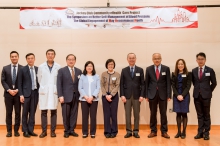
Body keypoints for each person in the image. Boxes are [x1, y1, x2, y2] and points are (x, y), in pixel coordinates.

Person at [145, 53, 171, 139]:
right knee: (153, 113)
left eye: (158, 58)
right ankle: (153, 131)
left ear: (161, 59)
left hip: (163, 94)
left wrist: (169, 95)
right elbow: (146, 83)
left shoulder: (166, 69)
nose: (157, 60)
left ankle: (164, 131)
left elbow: (168, 83)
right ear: (152, 59)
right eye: (155, 58)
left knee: (163, 113)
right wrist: (146, 95)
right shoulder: (148, 69)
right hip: (152, 94)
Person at [192, 52, 217, 140]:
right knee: (199, 115)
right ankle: (200, 132)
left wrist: (208, 91)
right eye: (199, 59)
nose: (200, 61)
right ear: (196, 60)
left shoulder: (210, 70)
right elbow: (194, 83)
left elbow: (214, 83)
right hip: (196, 96)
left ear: (205, 60)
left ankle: (206, 133)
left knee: (206, 115)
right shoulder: (194, 71)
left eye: (202, 59)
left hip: (206, 96)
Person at [120, 53, 145, 138]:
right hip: (126, 96)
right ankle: (128, 131)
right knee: (127, 114)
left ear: (136, 59)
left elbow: (143, 84)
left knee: (136, 114)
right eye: (130, 58)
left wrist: (142, 95)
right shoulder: (124, 70)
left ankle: (136, 131)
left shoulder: (140, 70)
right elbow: (121, 84)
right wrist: (122, 95)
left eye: (133, 58)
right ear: (127, 59)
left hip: (137, 96)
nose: (131, 59)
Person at [57, 54, 82, 138]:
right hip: (65, 96)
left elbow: (81, 84)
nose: (71, 61)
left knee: (74, 114)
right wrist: (60, 95)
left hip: (76, 96)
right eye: (69, 59)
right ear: (66, 61)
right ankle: (66, 130)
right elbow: (59, 84)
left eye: (72, 59)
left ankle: (72, 130)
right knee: (66, 114)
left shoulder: (79, 71)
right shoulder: (61, 71)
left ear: (75, 61)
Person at [37, 49, 61, 138]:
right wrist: (44, 87)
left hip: (54, 92)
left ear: (54, 55)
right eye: (48, 54)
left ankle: (53, 131)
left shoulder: (58, 67)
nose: (50, 55)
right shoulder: (41, 67)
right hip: (44, 92)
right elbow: (39, 79)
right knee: (44, 112)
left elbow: (59, 81)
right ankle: (44, 131)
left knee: (53, 112)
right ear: (46, 55)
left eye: (52, 54)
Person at [1, 51, 23, 137]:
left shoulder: (22, 68)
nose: (14, 58)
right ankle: (9, 131)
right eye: (12, 56)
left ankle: (16, 131)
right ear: (10, 57)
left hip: (18, 94)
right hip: (8, 95)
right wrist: (9, 90)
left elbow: (24, 81)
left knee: (18, 113)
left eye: (15, 56)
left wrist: (17, 90)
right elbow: (3, 81)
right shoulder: (5, 68)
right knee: (8, 113)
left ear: (18, 57)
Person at [18, 53, 39, 138]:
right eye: (28, 58)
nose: (30, 60)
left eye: (32, 58)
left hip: (35, 93)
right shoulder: (22, 69)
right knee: (25, 113)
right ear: (26, 60)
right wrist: (21, 95)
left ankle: (31, 130)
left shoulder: (38, 69)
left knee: (32, 113)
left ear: (34, 59)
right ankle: (25, 130)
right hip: (26, 94)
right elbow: (19, 83)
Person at [78, 61, 100, 138]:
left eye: (91, 66)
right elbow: (80, 88)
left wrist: (92, 97)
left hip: (94, 100)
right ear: (85, 67)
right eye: (88, 66)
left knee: (93, 116)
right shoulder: (82, 76)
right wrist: (86, 97)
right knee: (85, 116)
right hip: (84, 100)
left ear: (93, 67)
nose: (89, 67)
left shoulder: (96, 76)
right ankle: (85, 132)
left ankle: (93, 132)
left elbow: (98, 88)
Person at [171, 59, 192, 139]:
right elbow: (173, 86)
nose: (180, 65)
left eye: (182, 64)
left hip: (185, 96)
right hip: (176, 96)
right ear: (177, 65)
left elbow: (188, 86)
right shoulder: (174, 74)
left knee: (184, 114)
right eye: (179, 64)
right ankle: (179, 132)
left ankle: (184, 132)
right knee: (178, 114)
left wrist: (182, 95)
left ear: (184, 65)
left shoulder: (188, 74)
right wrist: (177, 95)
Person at [101, 59, 120, 138]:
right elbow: (102, 85)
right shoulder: (103, 74)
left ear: (114, 65)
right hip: (105, 96)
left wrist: (111, 95)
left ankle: (114, 131)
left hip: (114, 96)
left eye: (112, 64)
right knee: (106, 114)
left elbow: (117, 85)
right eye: (109, 64)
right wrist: (106, 95)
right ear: (106, 65)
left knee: (114, 114)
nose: (110, 66)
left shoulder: (117, 74)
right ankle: (107, 131)